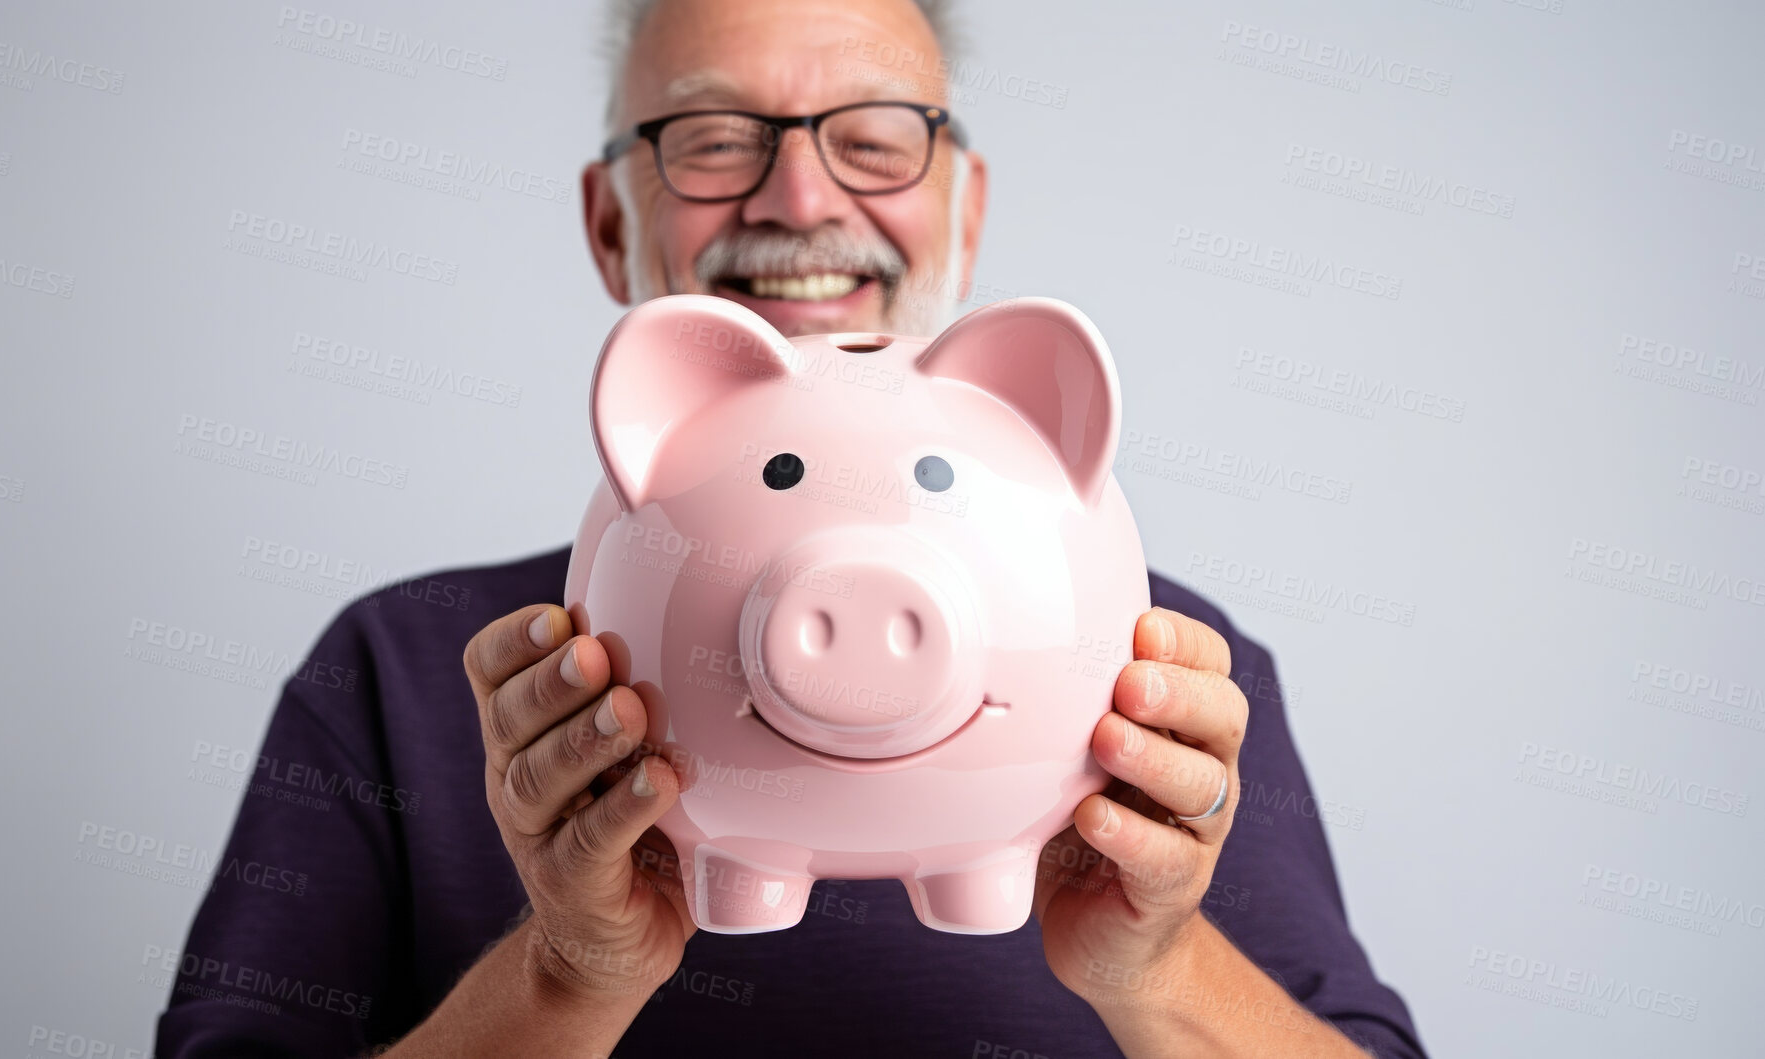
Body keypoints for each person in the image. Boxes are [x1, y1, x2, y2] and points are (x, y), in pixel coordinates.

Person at [155, 0, 1427, 1055]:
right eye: (711, 140)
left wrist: (1155, 964)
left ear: (965, 213)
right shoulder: (396, 663)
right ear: (612, 227)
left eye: (875, 139)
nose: (800, 194)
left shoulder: (1159, 678)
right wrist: (566, 972)